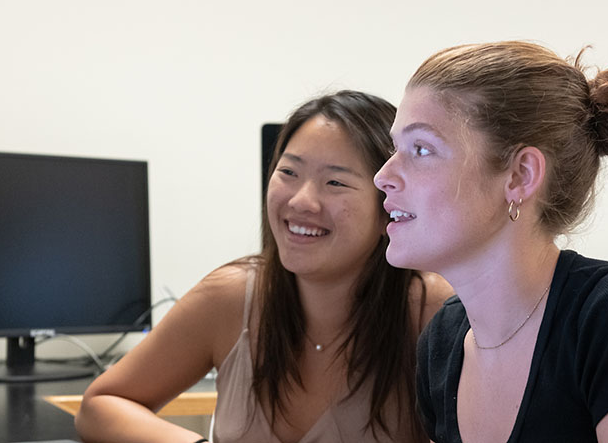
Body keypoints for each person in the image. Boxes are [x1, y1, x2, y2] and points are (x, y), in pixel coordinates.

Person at [374, 42, 608, 443]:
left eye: (420, 149)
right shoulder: (442, 342)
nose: (383, 175)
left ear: (521, 175)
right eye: (395, 148)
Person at [75, 90, 454, 443]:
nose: (302, 200)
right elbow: (100, 403)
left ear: (388, 202)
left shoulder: (432, 311)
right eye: (288, 172)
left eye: (335, 181)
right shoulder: (232, 295)